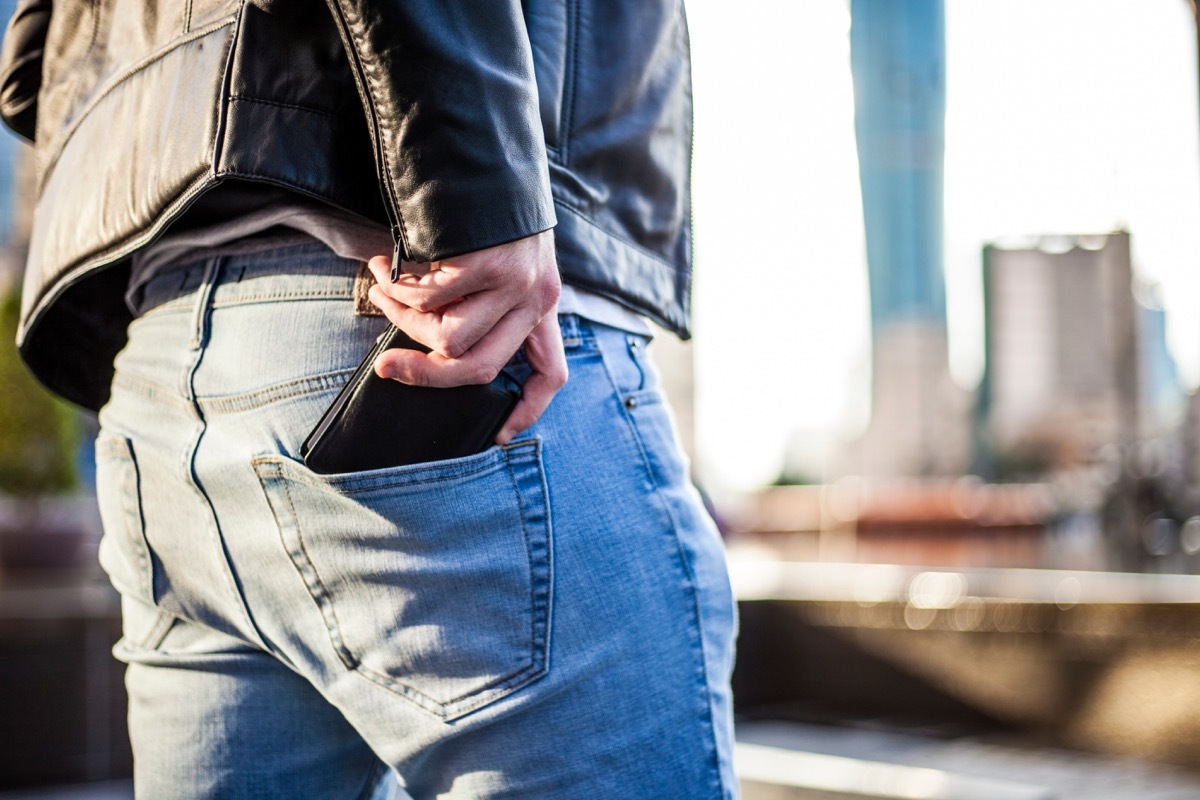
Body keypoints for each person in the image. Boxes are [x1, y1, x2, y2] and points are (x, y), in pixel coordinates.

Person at [0, 0, 737, 797]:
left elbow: (31, 66)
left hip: (165, 370)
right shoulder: (474, 208)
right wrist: (481, 193)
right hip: (435, 305)